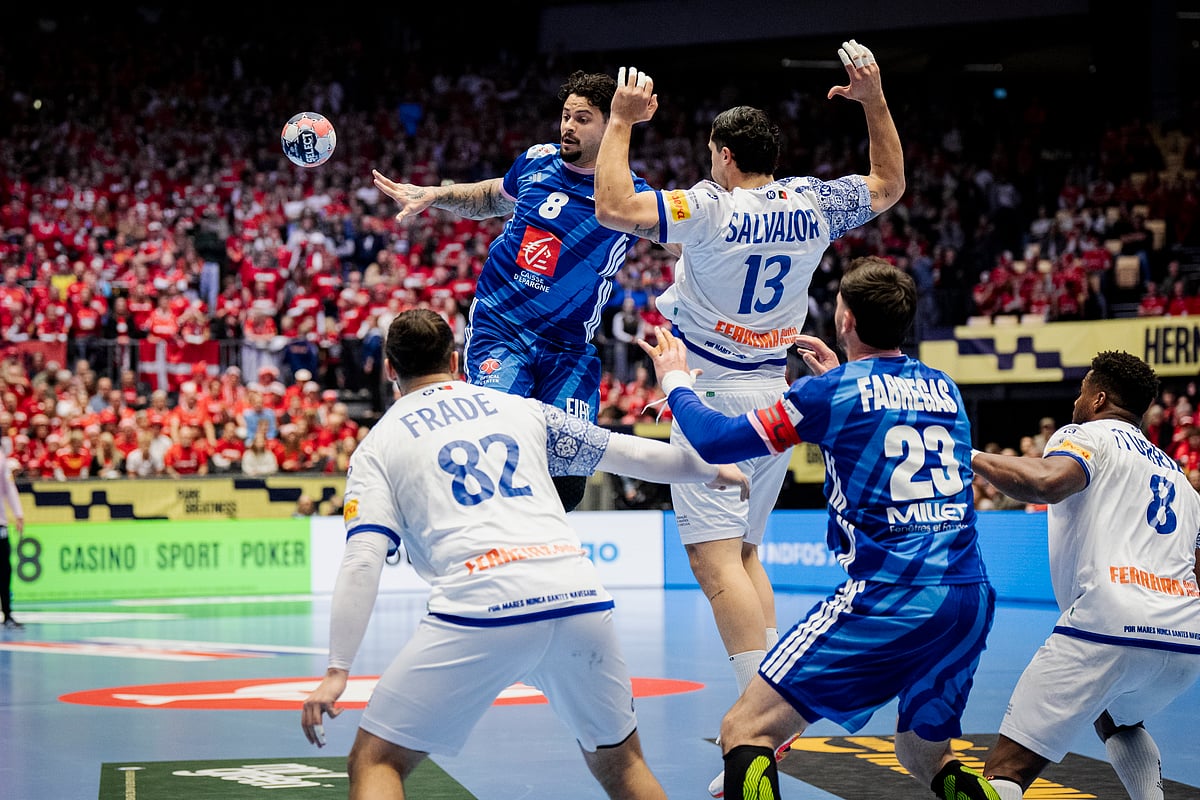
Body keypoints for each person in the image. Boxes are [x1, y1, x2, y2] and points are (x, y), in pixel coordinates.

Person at [300, 308, 750, 799]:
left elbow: (364, 559)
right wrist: (709, 469)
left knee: (376, 760)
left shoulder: (377, 446)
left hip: (480, 607)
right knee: (623, 767)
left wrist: (336, 671)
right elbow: (622, 450)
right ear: (455, 360)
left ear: (389, 369)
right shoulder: (518, 409)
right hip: (577, 595)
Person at [594, 39, 906, 737]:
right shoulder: (814, 202)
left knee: (713, 565)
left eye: (712, 155)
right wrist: (875, 101)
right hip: (776, 393)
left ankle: (766, 718)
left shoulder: (708, 206)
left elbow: (613, 206)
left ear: (725, 156)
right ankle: (777, 705)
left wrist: (620, 121)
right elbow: (888, 187)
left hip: (713, 398)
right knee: (744, 553)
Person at [638, 257, 999, 800]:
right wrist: (840, 376)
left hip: (890, 594)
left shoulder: (829, 395)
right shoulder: (942, 387)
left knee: (744, 730)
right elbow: (884, 415)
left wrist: (676, 382)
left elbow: (715, 442)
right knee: (925, 756)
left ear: (845, 320)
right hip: (969, 598)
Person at [372, 69, 654, 513]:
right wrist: (434, 194)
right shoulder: (537, 160)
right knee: (497, 448)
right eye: (565, 116)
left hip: (567, 347)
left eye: (582, 118)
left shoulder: (633, 199)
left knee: (568, 480)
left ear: (612, 125)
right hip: (501, 328)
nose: (568, 126)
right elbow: (492, 198)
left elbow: (687, 241)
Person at [970, 351, 1200, 800]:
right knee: (1117, 717)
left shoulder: (1087, 435)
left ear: (1097, 399)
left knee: (1006, 770)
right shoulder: (1178, 477)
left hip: (1106, 624)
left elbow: (1047, 483)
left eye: (1080, 392)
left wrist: (968, 454)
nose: (1076, 401)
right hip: (1184, 640)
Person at [1, 455, 24, 629]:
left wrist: (18, 514)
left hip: (0, 525)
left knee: (4, 570)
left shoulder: (0, 457)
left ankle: (8, 613)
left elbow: (9, 487)